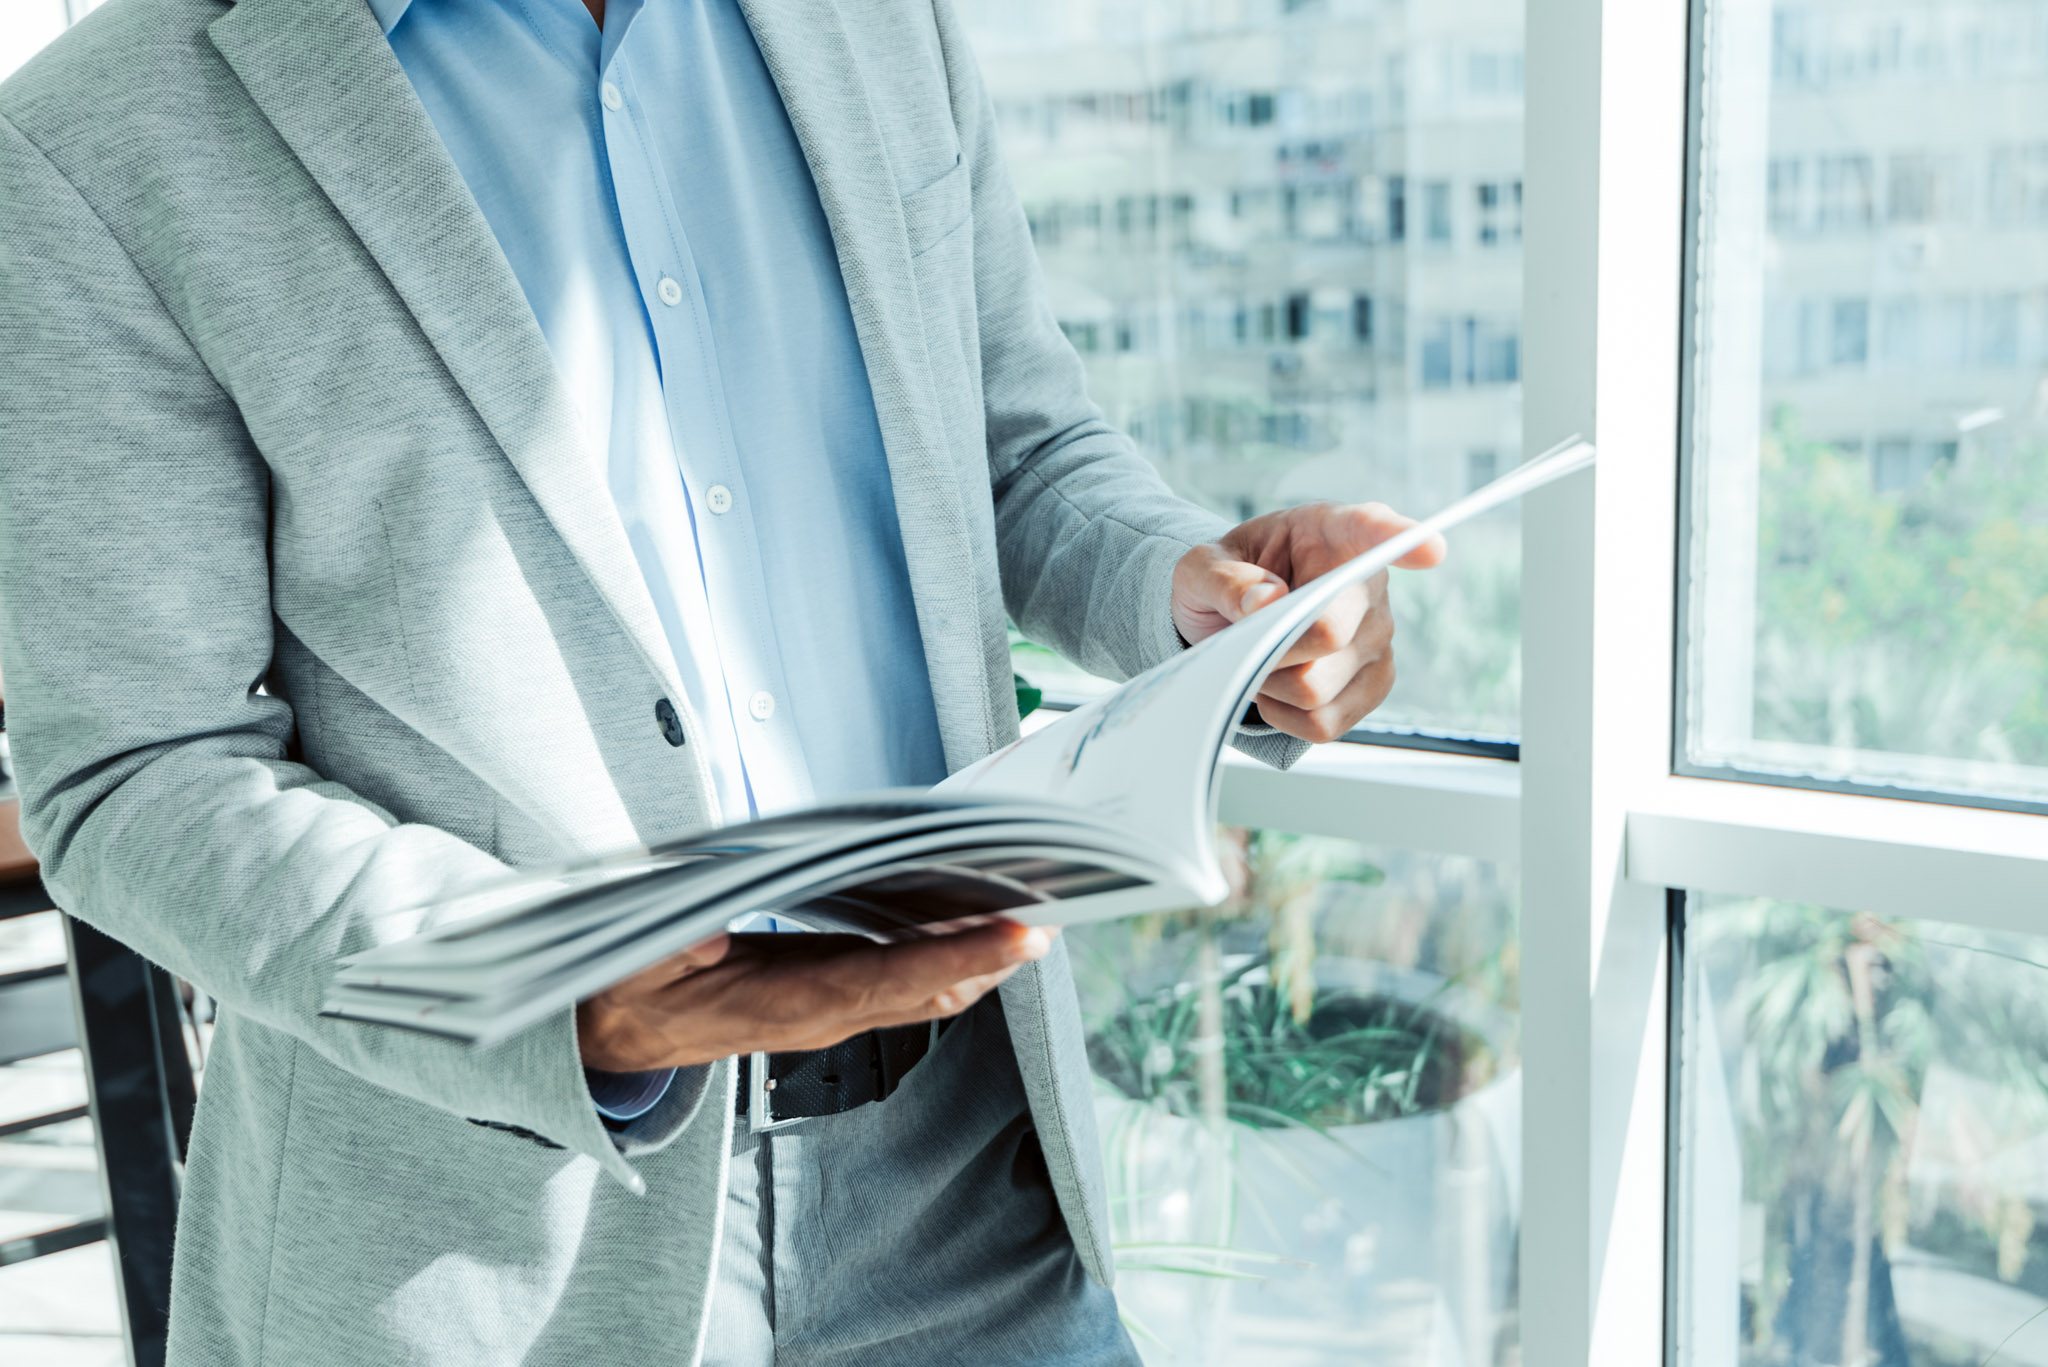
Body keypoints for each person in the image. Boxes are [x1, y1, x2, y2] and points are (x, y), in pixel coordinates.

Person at [0, 0, 1444, 1362]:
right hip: (481, 1266)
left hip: (974, 1198)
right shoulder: (97, 136)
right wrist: (564, 991)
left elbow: (1013, 447)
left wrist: (1196, 597)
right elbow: (139, 774)